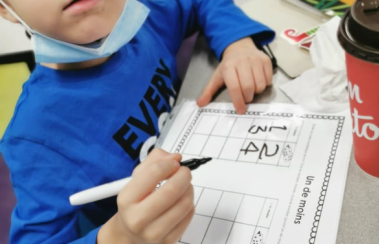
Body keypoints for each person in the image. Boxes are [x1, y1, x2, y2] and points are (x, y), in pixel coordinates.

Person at [0, 0, 275, 243]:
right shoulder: (35, 137)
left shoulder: (146, 14)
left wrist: (237, 43)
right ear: (6, 8)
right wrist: (114, 237)